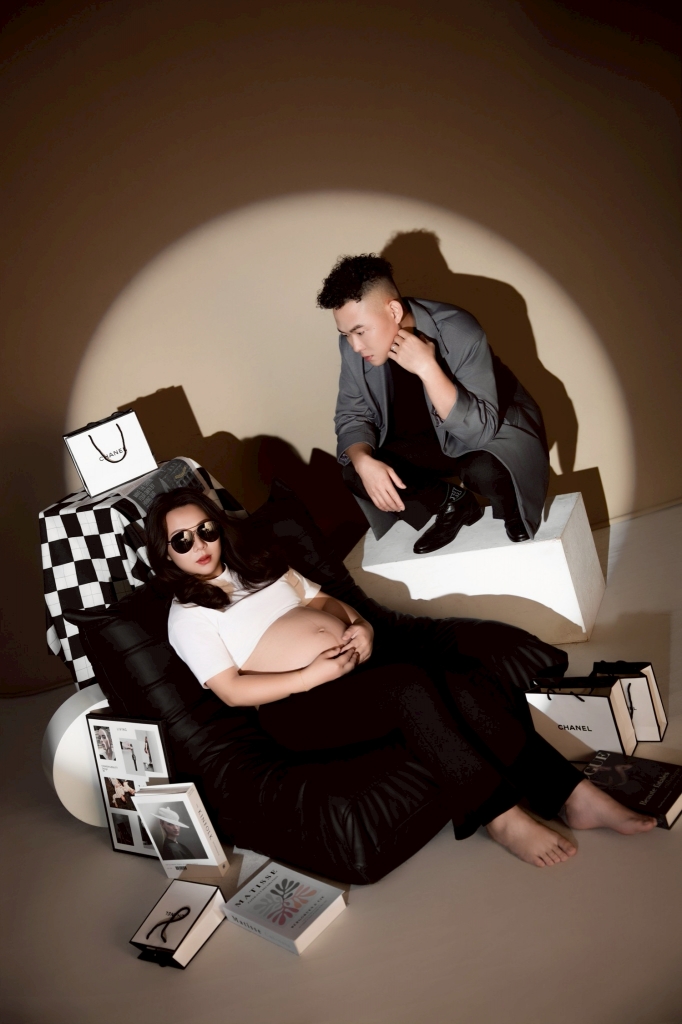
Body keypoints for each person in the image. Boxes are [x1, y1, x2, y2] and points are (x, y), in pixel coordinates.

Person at [145, 488, 657, 869]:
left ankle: (571, 795)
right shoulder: (187, 615)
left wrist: (362, 627)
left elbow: (321, 601)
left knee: (458, 674)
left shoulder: (257, 564)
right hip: (297, 708)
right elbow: (231, 689)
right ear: (166, 553)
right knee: (409, 686)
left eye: (206, 530)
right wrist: (307, 674)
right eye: (181, 541)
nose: (199, 545)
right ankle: (499, 815)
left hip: (352, 668)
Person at [317, 254, 549, 552]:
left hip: (483, 434)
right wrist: (363, 461)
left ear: (394, 310)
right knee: (355, 470)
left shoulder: (458, 330)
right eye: (346, 334)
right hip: (421, 443)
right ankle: (452, 505)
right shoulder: (352, 347)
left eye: (360, 331)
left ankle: (512, 504)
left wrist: (428, 369)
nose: (355, 345)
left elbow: (479, 431)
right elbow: (351, 415)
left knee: (485, 471)